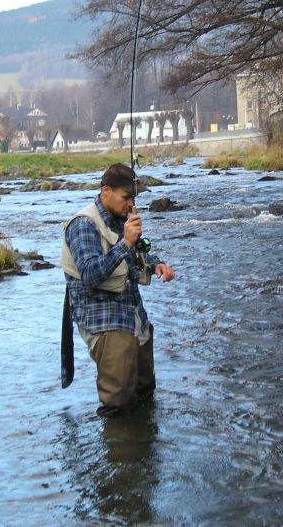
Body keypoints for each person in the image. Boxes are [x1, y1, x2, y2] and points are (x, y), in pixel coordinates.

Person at [60, 163, 176, 416]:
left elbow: (137, 255)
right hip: (105, 324)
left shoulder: (121, 220)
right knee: (118, 405)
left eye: (133, 197)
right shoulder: (83, 225)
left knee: (145, 393)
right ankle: (119, 441)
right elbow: (90, 274)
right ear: (106, 191)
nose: (131, 204)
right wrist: (126, 242)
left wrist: (157, 264)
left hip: (134, 318)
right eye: (126, 197)